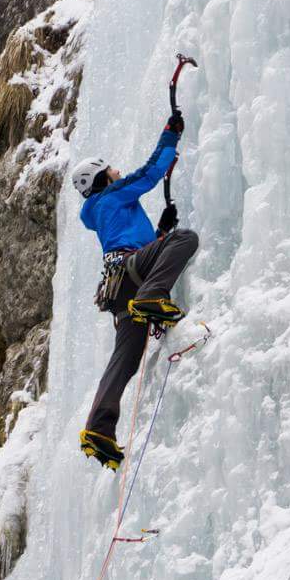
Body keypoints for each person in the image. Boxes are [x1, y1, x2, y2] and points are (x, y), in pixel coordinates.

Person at [72, 111, 199, 470]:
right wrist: (170, 135)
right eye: (109, 169)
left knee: (125, 359)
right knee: (186, 239)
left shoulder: (101, 210)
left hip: (119, 289)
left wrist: (159, 234)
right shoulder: (112, 194)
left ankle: (98, 429)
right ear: (101, 178)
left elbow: (132, 241)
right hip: (133, 275)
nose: (116, 171)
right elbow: (149, 173)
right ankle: (151, 298)